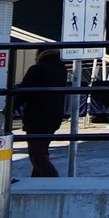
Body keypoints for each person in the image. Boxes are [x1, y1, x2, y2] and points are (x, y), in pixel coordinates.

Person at [14, 47, 67, 177]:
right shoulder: (61, 70)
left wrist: (8, 109)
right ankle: (36, 180)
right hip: (54, 117)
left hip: (36, 118)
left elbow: (23, 93)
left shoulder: (37, 69)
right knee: (41, 151)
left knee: (37, 155)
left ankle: (53, 181)